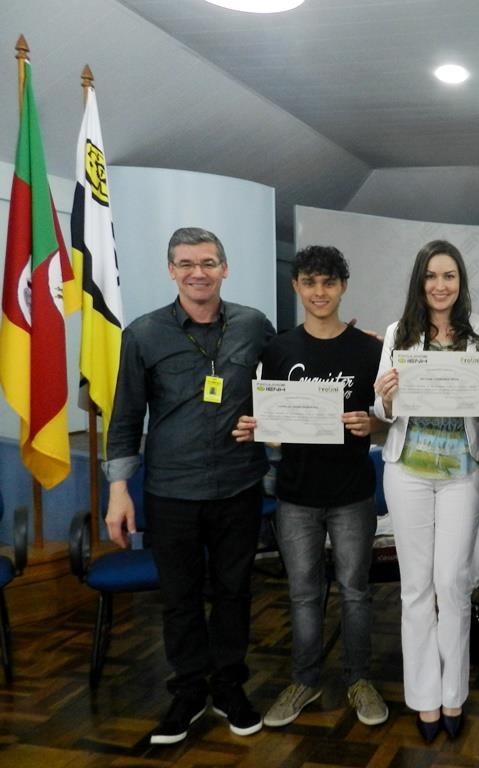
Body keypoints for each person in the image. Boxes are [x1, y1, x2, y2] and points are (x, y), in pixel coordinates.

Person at [104, 227, 274, 745]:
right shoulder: (143, 333)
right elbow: (127, 416)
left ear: (225, 268)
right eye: (185, 263)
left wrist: (358, 350)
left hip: (239, 485)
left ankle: (228, 685)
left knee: (233, 592)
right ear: (170, 270)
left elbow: (289, 383)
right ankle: (188, 691)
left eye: (207, 262)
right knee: (178, 597)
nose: (197, 272)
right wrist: (117, 492)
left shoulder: (254, 325)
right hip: (171, 491)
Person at [231, 245, 389, 730]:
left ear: (342, 287)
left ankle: (359, 678)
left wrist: (373, 427)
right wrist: (254, 426)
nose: (319, 292)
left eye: (329, 283)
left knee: (355, 592)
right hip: (295, 493)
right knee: (302, 594)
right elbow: (270, 420)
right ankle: (304, 679)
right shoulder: (278, 349)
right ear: (297, 287)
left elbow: (387, 425)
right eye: (310, 283)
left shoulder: (370, 349)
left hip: (353, 491)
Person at [372, 239, 479, 742]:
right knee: (416, 589)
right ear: (419, 282)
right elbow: (384, 412)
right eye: (431, 276)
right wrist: (383, 399)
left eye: (449, 276)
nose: (440, 285)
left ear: (461, 281)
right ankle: (425, 700)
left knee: (452, 583)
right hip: (407, 469)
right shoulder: (397, 333)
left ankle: (454, 695)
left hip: (463, 471)